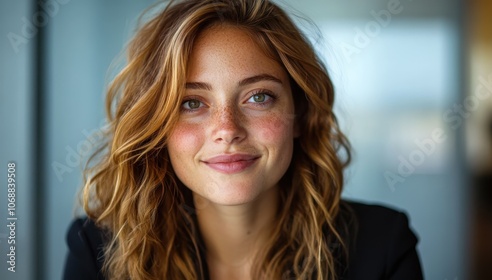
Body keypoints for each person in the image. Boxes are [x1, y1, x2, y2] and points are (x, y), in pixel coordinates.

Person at [63, 0, 423, 279]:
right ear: (157, 127)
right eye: (191, 103)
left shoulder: (382, 246)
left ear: (299, 113)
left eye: (258, 97)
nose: (227, 129)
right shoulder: (95, 249)